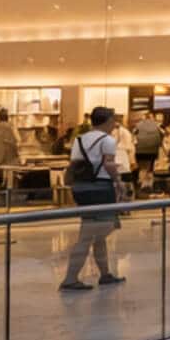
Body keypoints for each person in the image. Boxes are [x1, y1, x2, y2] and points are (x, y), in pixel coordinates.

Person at [60, 106, 125, 291]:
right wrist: (119, 181)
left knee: (97, 234)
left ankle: (105, 274)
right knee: (89, 235)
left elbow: (73, 164)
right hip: (100, 188)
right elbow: (109, 164)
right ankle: (70, 278)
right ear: (107, 121)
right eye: (113, 121)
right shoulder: (108, 140)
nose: (115, 125)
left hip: (81, 188)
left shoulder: (79, 139)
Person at [131, 110, 163, 193]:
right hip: (153, 150)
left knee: (142, 167)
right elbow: (163, 133)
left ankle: (142, 185)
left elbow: (133, 134)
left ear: (144, 117)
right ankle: (148, 185)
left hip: (140, 150)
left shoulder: (138, 125)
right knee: (150, 168)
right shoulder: (157, 125)